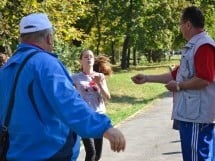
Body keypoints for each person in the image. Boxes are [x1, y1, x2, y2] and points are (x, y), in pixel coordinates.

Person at [0, 13, 126, 161]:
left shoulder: (8, 67)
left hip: (14, 152)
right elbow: (70, 104)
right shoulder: (46, 64)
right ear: (49, 38)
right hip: (48, 152)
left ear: (22, 38)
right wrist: (104, 128)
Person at [131, 6, 215, 161]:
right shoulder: (194, 46)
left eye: (181, 24)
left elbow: (205, 79)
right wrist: (147, 78)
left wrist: (178, 86)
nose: (180, 28)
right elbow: (175, 75)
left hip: (197, 118)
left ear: (188, 24)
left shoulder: (203, 46)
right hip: (190, 115)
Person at [72, 50, 112, 161]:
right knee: (91, 152)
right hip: (85, 118)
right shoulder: (75, 78)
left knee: (97, 155)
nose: (89, 58)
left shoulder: (100, 76)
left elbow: (107, 96)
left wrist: (99, 82)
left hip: (99, 117)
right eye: (86, 57)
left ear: (94, 60)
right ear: (81, 61)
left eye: (91, 57)